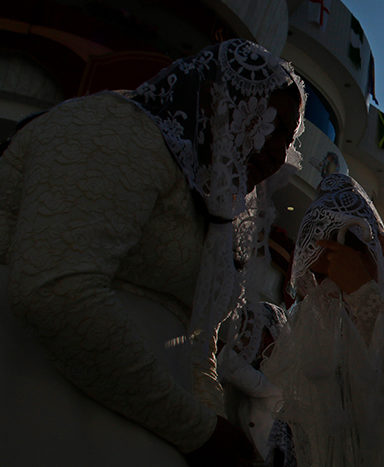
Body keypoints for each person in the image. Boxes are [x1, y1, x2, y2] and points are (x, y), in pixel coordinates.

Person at [0, 39, 305, 466]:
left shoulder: (210, 208)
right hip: (41, 408)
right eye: (266, 122)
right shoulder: (112, 129)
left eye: (287, 138)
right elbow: (55, 290)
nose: (276, 150)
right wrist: (197, 429)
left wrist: (216, 432)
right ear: (213, 98)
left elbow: (198, 347)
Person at [263, 173, 384, 466]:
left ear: (378, 243)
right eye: (320, 276)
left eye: (340, 270)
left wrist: (364, 295)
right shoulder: (319, 306)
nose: (330, 287)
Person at [218, 301, 293, 464]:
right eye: (244, 327)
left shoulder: (282, 371)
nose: (248, 335)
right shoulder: (250, 364)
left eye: (253, 328)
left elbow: (251, 382)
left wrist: (235, 348)